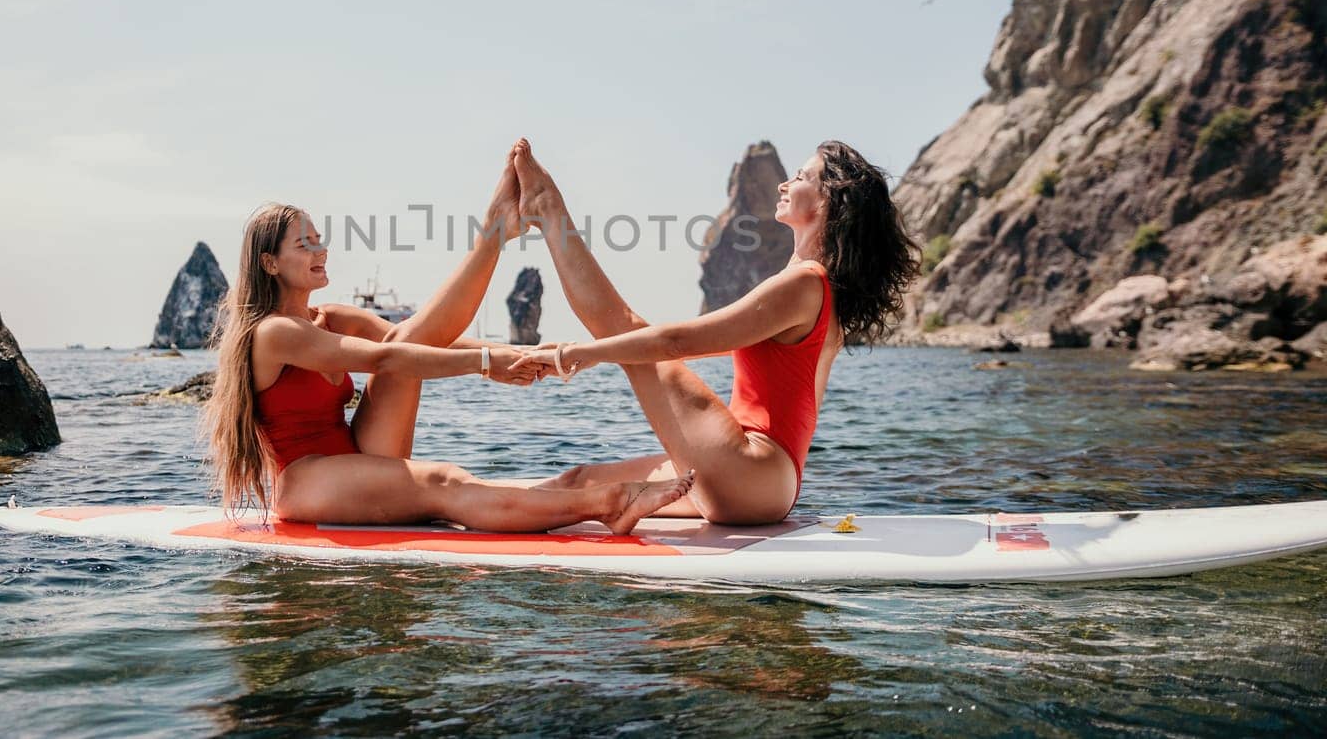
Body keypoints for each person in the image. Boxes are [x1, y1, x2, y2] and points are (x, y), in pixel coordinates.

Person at [201, 142, 693, 535]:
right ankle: (609, 502)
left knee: (413, 334)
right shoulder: (274, 333)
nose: (320, 250)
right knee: (445, 481)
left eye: (320, 238)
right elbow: (388, 356)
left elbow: (423, 341)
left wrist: (522, 356)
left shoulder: (328, 316)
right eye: (304, 244)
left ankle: (494, 232)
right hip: (308, 480)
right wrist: (485, 363)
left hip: (358, 453)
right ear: (269, 263)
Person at [509, 139, 917, 525]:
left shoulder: (806, 284)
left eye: (800, 176)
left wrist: (575, 355)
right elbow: (707, 348)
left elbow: (676, 343)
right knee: (581, 481)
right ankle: (478, 514)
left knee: (622, 324)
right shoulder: (816, 287)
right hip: (763, 484)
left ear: (829, 199)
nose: (784, 183)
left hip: (750, 470)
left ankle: (548, 210)